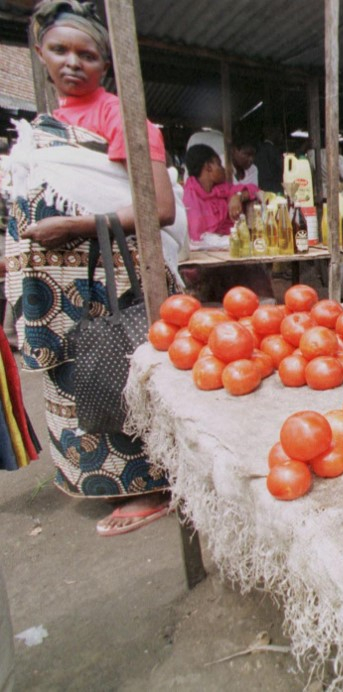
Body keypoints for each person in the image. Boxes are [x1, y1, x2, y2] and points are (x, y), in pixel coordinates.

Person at [7, 0, 190, 535]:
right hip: (57, 285)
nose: (72, 63)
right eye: (60, 50)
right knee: (74, 375)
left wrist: (74, 228)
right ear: (40, 54)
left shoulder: (122, 116)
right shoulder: (45, 125)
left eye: (86, 55)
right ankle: (96, 476)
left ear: (105, 66)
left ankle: (147, 483)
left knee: (119, 372)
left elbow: (158, 209)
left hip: (110, 276)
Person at [182, 144, 258, 243]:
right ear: (208, 167)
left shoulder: (221, 189)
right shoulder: (190, 197)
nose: (223, 169)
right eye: (219, 164)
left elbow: (254, 189)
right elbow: (197, 237)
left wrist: (238, 196)